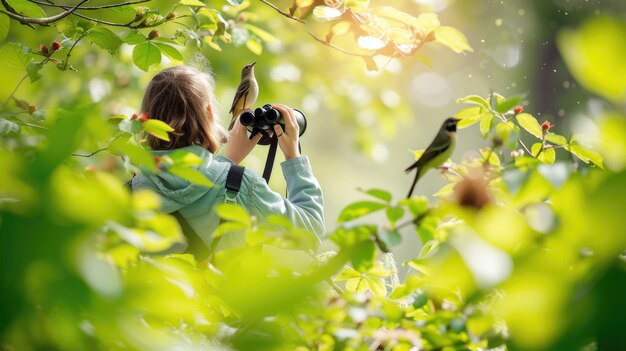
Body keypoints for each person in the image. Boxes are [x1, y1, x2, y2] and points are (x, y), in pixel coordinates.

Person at [131, 66, 325, 254]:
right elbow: (310, 232)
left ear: (145, 120)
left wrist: (228, 162)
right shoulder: (242, 188)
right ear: (208, 113)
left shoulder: (129, 190)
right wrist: (293, 157)